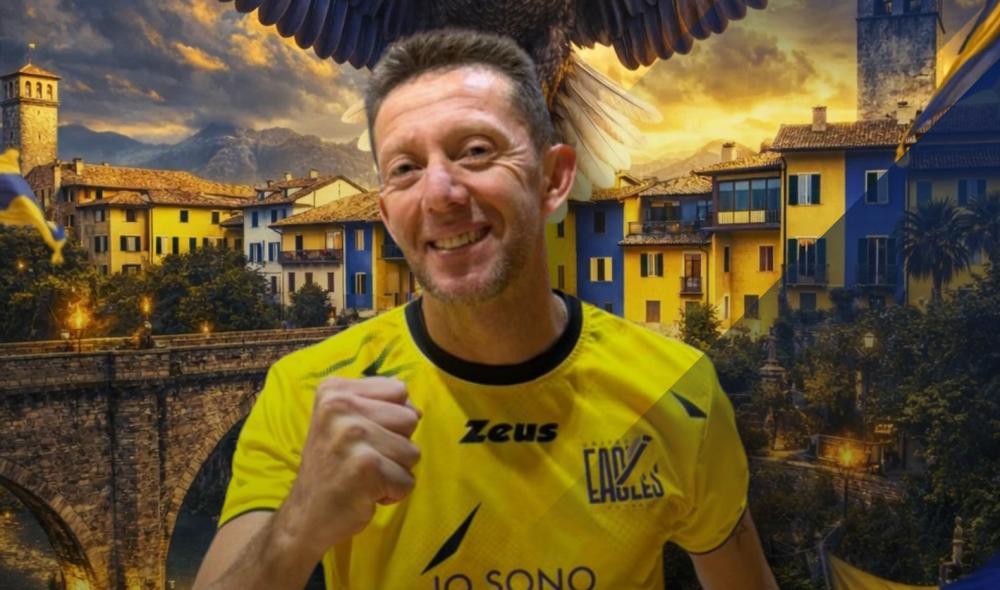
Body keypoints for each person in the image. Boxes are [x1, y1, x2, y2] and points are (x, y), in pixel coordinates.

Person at [194, 30, 778, 590]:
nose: (439, 193)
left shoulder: (678, 391)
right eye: (405, 168)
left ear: (554, 179)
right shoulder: (307, 395)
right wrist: (299, 523)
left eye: (475, 152)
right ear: (387, 215)